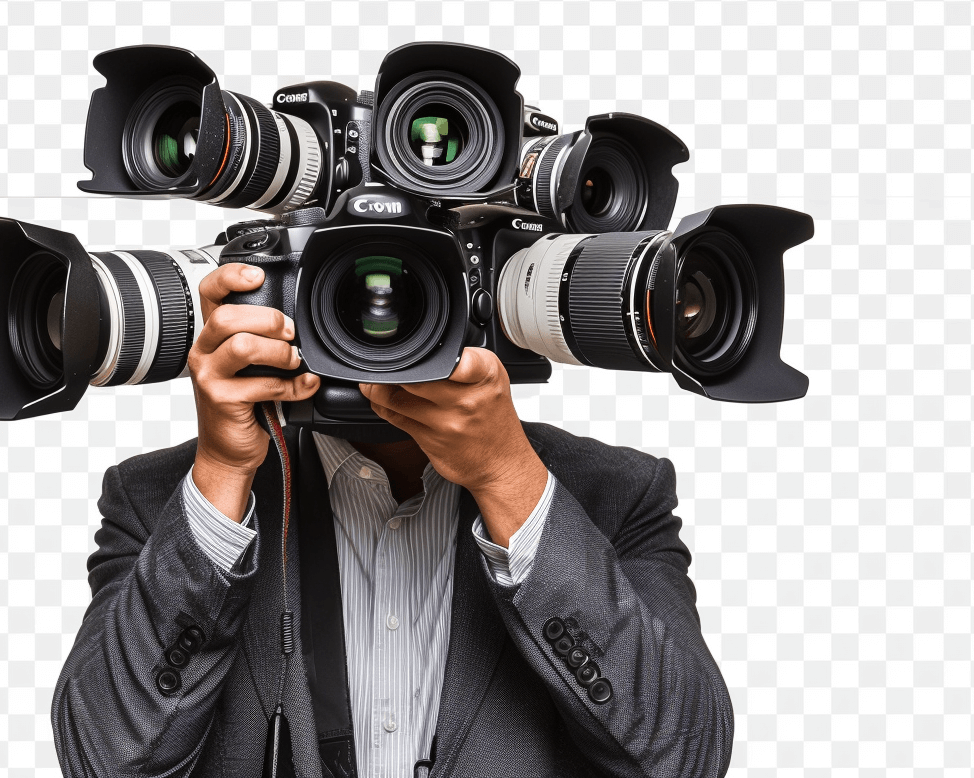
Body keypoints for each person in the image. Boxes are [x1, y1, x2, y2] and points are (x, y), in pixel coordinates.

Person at [52, 263, 734, 778]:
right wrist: (223, 475)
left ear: (486, 295)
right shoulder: (160, 498)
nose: (380, 312)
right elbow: (103, 762)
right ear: (280, 294)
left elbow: (683, 758)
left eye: (418, 279)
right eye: (341, 280)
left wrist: (508, 477)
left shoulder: (615, 494)